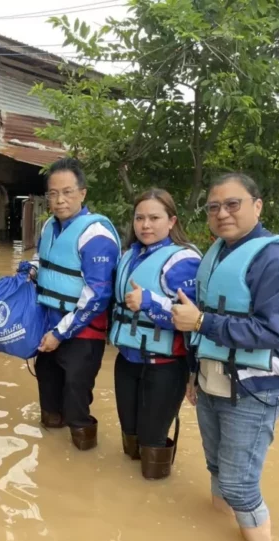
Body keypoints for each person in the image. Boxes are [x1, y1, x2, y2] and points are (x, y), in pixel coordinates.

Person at [172, 173, 279, 541]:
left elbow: (271, 332)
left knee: (240, 485)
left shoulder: (275, 258)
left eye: (233, 204)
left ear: (257, 206)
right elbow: (200, 321)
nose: (222, 214)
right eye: (214, 207)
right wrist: (192, 373)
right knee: (217, 469)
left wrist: (201, 322)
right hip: (211, 380)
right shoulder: (218, 254)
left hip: (254, 388)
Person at [27, 158, 120, 450]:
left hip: (82, 334)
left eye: (67, 192)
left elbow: (97, 295)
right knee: (48, 393)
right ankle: (50, 459)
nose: (60, 200)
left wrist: (60, 333)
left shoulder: (96, 235)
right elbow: (43, 262)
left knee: (76, 400)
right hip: (48, 325)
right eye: (53, 193)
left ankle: (83, 453)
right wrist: (30, 271)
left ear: (82, 193)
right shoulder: (49, 227)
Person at [109, 189, 201, 479]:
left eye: (154, 218)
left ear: (171, 221)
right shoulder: (129, 255)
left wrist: (149, 301)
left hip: (164, 367)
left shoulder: (184, 261)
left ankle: (155, 488)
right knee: (130, 438)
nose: (145, 225)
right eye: (139, 218)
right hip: (127, 361)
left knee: (152, 442)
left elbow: (191, 318)